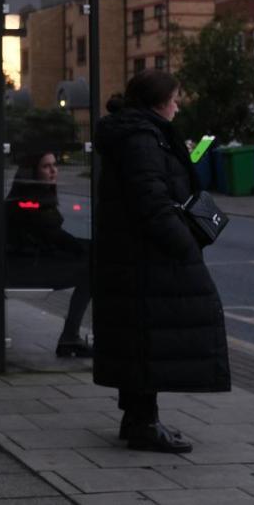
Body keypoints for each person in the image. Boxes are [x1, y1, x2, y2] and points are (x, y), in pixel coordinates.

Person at [93, 69, 230, 454]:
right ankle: (144, 424)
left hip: (136, 257)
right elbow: (150, 200)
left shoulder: (143, 134)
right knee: (148, 337)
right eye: (175, 98)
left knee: (141, 336)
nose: (178, 104)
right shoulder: (141, 138)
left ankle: (138, 417)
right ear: (158, 101)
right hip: (146, 257)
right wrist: (184, 243)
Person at [4, 150, 92, 358]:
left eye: (54, 165)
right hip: (23, 269)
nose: (53, 171)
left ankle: (71, 336)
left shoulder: (37, 196)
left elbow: (53, 238)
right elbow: (54, 236)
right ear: (33, 172)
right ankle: (70, 337)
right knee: (92, 272)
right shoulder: (30, 201)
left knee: (92, 265)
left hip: (28, 263)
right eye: (46, 166)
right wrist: (87, 248)